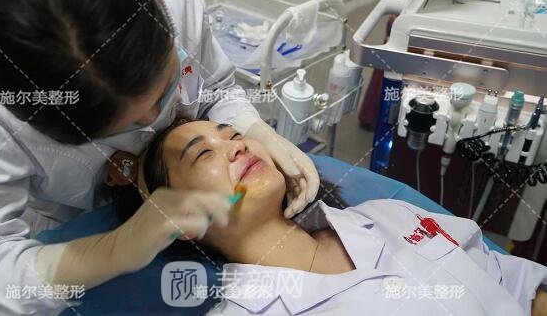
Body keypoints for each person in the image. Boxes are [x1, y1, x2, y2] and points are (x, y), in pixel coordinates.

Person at [0, 0, 319, 315]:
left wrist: (251, 126)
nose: (154, 123)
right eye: (122, 126)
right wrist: (112, 251)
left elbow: (215, 88)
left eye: (165, 90)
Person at [110, 119, 547, 316]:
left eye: (234, 134)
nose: (237, 145)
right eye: (204, 153)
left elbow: (516, 284)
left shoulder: (387, 214)